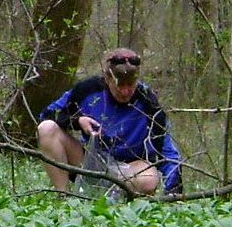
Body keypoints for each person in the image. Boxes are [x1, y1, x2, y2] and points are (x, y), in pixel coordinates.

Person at [36, 47, 182, 197]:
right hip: (92, 161)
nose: (125, 92)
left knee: (149, 180)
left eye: (130, 85)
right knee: (46, 128)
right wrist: (76, 121)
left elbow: (167, 150)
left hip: (132, 168)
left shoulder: (148, 102)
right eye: (120, 85)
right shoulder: (87, 90)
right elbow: (47, 114)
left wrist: (174, 189)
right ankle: (64, 196)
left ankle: (110, 196)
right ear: (107, 79)